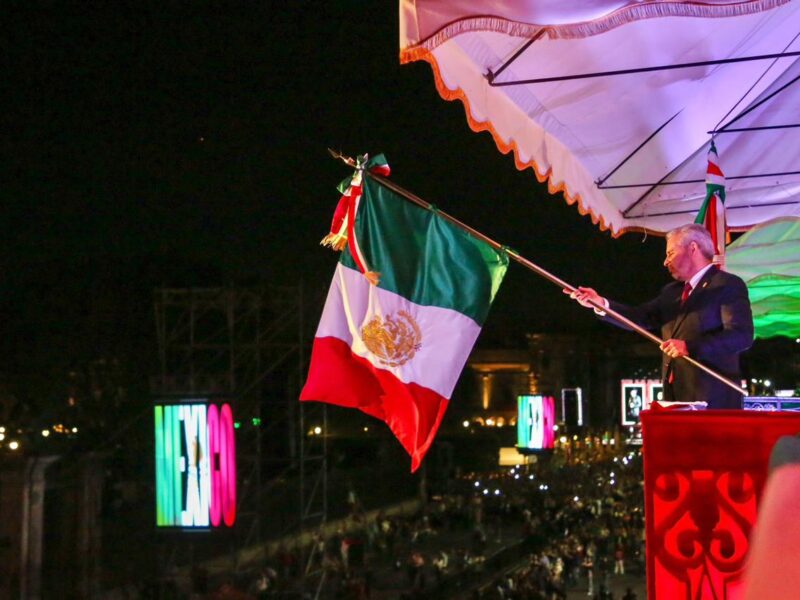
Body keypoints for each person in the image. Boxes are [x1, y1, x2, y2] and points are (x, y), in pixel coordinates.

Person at [566, 224, 753, 409]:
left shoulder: (726, 284)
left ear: (693, 248)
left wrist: (690, 347)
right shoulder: (671, 293)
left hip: (713, 399)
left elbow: (740, 336)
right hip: (674, 397)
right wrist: (600, 304)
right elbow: (639, 317)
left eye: (670, 253)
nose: (665, 262)